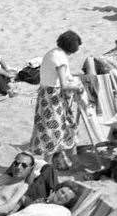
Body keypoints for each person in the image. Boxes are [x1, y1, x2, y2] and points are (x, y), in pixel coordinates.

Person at [29, 31, 85, 169]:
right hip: (53, 98)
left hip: (45, 95)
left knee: (57, 128)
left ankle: (66, 161)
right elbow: (64, 85)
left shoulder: (52, 53)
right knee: (53, 131)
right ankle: (46, 166)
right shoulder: (60, 60)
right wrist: (78, 88)